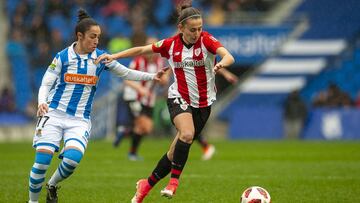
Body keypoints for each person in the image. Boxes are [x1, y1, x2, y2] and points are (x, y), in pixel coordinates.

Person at [96, 3, 235, 202]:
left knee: (173, 154)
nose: (197, 33)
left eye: (200, 29)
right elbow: (142, 49)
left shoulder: (207, 41)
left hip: (204, 103)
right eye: (192, 29)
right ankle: (173, 183)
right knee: (186, 135)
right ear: (181, 28)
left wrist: (222, 63)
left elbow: (228, 55)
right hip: (178, 96)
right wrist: (115, 56)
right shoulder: (170, 45)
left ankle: (145, 186)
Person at [27, 9, 166, 203]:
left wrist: (152, 76)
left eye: (98, 37)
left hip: (79, 120)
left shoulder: (101, 58)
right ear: (80, 36)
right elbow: (46, 83)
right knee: (42, 162)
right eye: (93, 37)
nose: (96, 41)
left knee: (72, 160)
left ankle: (51, 185)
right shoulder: (62, 57)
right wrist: (42, 101)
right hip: (54, 113)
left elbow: (126, 73)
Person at [113, 36, 169, 161]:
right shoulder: (138, 61)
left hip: (149, 99)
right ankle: (132, 153)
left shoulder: (159, 62)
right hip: (134, 96)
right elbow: (126, 79)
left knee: (146, 128)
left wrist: (164, 80)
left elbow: (163, 81)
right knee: (142, 126)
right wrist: (140, 89)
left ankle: (125, 131)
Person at [196, 68, 238, 160]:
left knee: (191, 128)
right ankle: (206, 147)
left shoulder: (200, 56)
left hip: (200, 96)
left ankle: (206, 147)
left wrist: (226, 74)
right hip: (189, 94)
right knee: (189, 129)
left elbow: (214, 64)